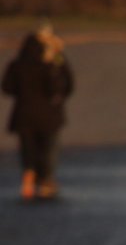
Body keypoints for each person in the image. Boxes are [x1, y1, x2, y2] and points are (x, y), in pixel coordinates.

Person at [3, 25, 74, 203]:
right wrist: (59, 57)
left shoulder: (17, 64)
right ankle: (46, 182)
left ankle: (28, 182)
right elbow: (66, 86)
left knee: (28, 150)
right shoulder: (50, 65)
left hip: (23, 116)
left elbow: (7, 88)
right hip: (49, 117)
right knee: (48, 149)